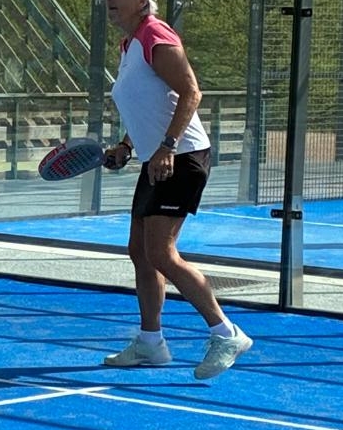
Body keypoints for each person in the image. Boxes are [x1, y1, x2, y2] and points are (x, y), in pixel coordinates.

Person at [100, 0, 252, 380]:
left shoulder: (156, 34)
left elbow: (191, 92)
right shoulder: (129, 44)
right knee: (140, 252)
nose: (109, 2)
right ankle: (150, 342)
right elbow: (149, 105)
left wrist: (167, 146)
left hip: (181, 157)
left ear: (141, 2)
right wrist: (127, 146)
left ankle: (226, 334)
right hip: (157, 158)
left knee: (161, 253)